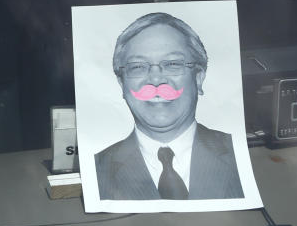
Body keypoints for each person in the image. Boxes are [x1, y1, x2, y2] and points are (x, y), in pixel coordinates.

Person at [94, 12, 244, 201]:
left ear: (198, 78)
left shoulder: (240, 155)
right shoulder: (96, 169)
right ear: (122, 84)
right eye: (138, 67)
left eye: (173, 64)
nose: (156, 79)